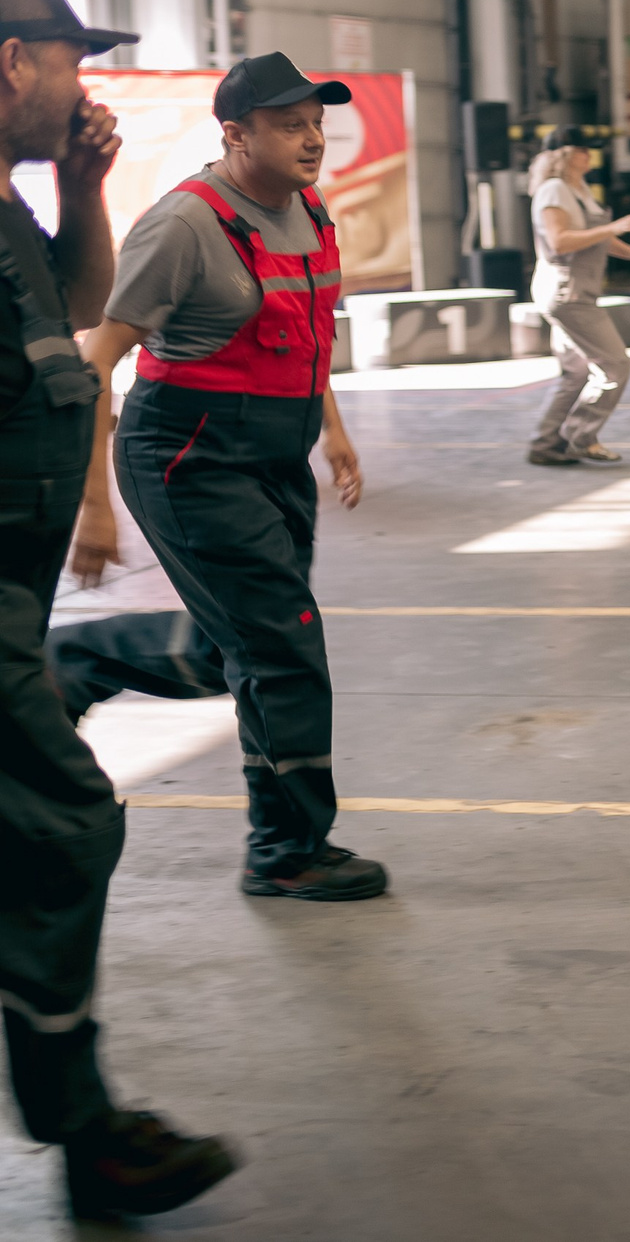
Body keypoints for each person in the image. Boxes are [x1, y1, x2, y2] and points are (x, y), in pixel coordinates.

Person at [0, 0, 235, 1220]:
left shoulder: (11, 210)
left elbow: (82, 316)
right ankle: (83, 1126)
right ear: (9, 65)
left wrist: (82, 190)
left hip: (16, 602)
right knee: (63, 825)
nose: (80, 87)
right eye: (68, 62)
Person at [50, 51, 389, 901]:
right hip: (186, 457)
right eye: (289, 125)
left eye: (317, 123)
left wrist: (333, 430)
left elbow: (308, 332)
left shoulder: (308, 209)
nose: (313, 140)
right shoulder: (185, 225)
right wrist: (93, 505)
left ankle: (74, 663)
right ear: (236, 134)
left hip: (275, 453)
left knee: (241, 644)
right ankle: (286, 851)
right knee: (282, 646)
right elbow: (99, 357)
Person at [525, 127, 630, 466]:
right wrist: (611, 227)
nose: (590, 156)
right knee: (615, 365)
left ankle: (545, 445)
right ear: (565, 154)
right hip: (567, 292)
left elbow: (594, 236)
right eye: (584, 150)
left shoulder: (578, 189)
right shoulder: (554, 190)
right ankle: (579, 437)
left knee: (575, 374)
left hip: (575, 289)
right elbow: (560, 241)